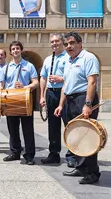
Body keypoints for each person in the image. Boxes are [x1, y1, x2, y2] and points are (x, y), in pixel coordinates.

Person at [55, 32, 101, 185]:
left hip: (83, 98)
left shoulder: (88, 58)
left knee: (88, 136)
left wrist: (88, 104)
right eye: (66, 44)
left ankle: (93, 172)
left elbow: (92, 82)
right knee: (75, 136)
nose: (69, 46)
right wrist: (61, 104)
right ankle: (81, 167)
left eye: (72, 43)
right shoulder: (68, 61)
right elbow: (65, 84)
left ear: (80, 43)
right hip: (69, 99)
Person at [0, 41, 38, 165]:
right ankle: (15, 152)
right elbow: (1, 85)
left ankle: (29, 155)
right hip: (10, 100)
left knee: (28, 129)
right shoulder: (5, 68)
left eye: (17, 48)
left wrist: (25, 86)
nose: (15, 51)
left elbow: (36, 82)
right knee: (13, 129)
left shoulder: (29, 66)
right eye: (13, 49)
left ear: (21, 50)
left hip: (25, 100)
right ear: (10, 52)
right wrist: (0, 98)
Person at [40, 33, 72, 166]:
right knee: (52, 125)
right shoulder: (48, 59)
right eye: (52, 41)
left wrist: (60, 78)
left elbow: (72, 76)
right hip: (51, 93)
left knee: (68, 124)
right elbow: (43, 77)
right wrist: (42, 95)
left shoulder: (69, 58)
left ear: (62, 42)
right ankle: (54, 153)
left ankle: (72, 156)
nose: (54, 44)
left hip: (64, 93)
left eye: (57, 41)